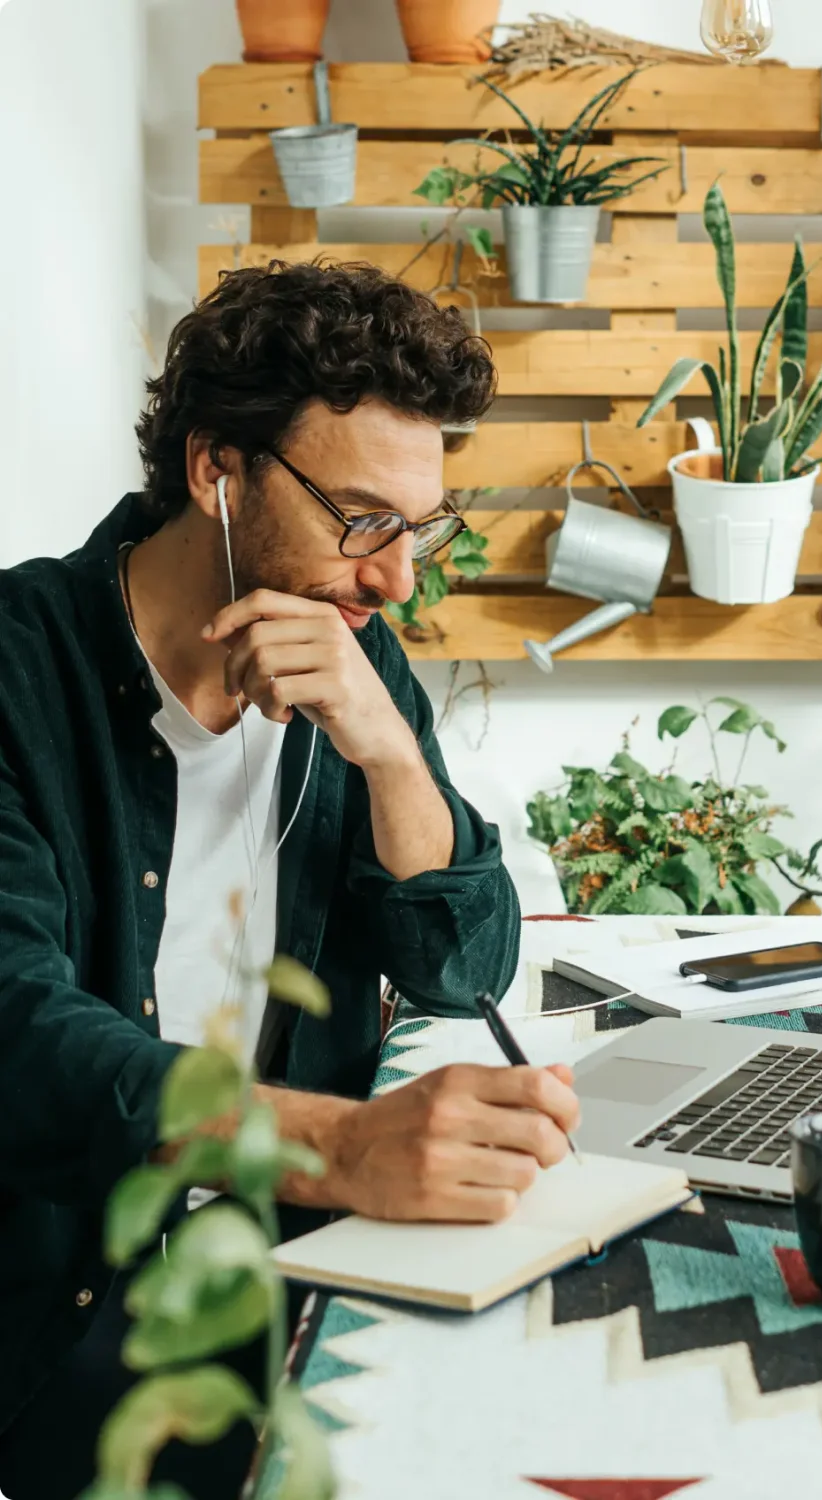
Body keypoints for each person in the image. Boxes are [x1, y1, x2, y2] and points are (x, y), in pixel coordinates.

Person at [0, 261, 580, 1499]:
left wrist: (384, 753)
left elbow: (459, 967)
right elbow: (19, 1044)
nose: (394, 577)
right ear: (218, 470)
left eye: (416, 530)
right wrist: (340, 1145)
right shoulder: (16, 670)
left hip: (298, 1263)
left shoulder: (349, 652)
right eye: (360, 517)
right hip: (73, 1307)